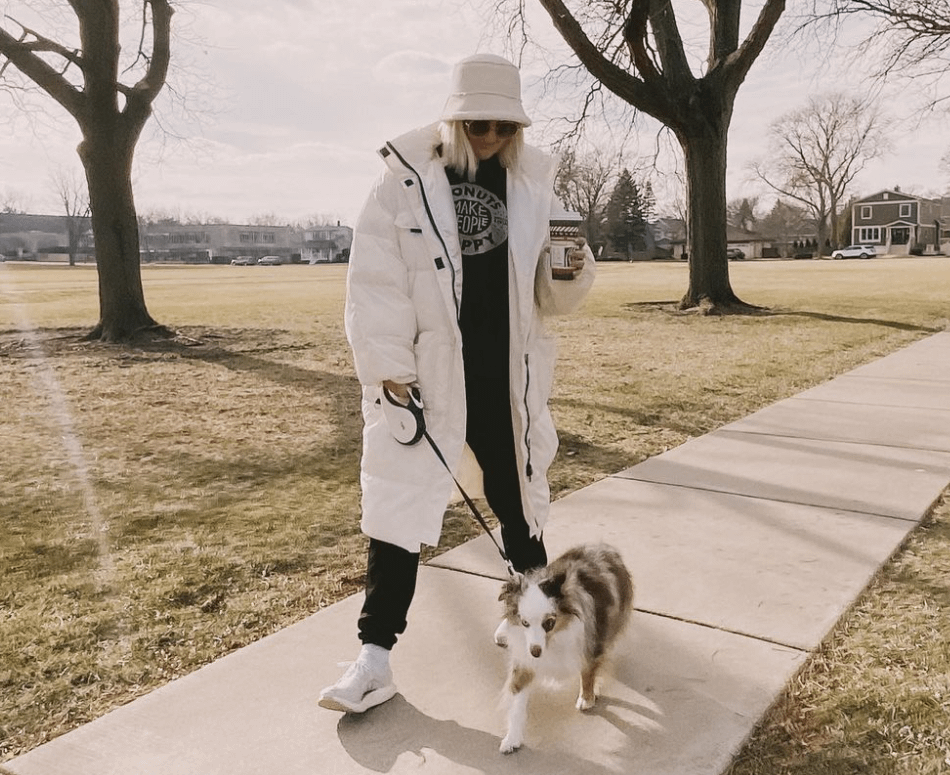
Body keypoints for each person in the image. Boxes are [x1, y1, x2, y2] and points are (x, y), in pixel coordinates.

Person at [318, 53, 595, 714]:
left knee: (518, 504)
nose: (491, 136)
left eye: (503, 125)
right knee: (396, 511)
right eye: (478, 123)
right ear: (453, 118)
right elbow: (374, 287)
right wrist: (391, 370)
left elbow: (554, 302)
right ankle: (374, 657)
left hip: (504, 381)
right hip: (424, 381)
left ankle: (544, 627)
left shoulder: (535, 188)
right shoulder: (402, 184)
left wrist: (573, 270)